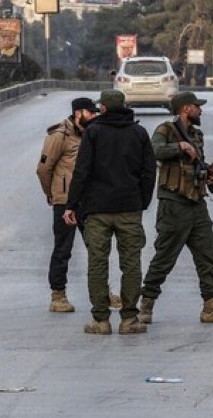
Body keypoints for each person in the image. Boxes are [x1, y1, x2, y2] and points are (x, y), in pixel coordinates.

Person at [139, 91, 213, 326]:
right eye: (197, 106)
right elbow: (153, 151)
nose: (200, 110)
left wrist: (206, 172)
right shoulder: (166, 130)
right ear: (185, 108)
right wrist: (180, 146)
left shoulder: (196, 133)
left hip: (196, 202)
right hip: (173, 203)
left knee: (208, 255)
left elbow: (194, 164)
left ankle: (211, 305)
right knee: (165, 256)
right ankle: (146, 303)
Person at [64, 90, 155, 335]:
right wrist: (142, 201)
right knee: (131, 263)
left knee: (97, 263)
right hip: (129, 208)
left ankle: (101, 320)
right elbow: (149, 172)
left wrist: (72, 205)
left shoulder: (93, 132)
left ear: (103, 108)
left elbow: (82, 171)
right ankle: (129, 319)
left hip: (97, 210)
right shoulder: (139, 132)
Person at [36, 97, 100, 313]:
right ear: (79, 113)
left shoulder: (92, 133)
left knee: (97, 247)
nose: (94, 117)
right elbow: (44, 169)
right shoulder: (59, 135)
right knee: (63, 249)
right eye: (91, 113)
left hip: (88, 200)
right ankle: (58, 294)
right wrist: (52, 194)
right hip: (64, 201)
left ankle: (103, 293)